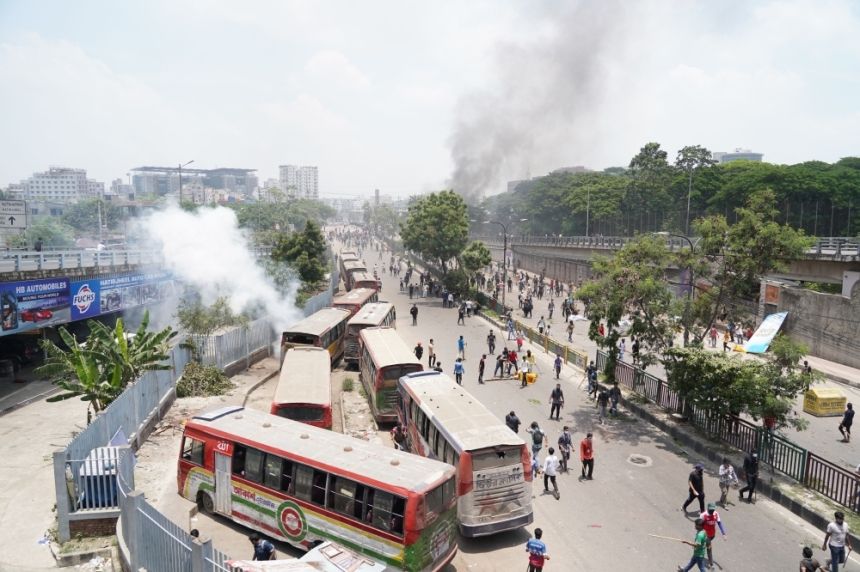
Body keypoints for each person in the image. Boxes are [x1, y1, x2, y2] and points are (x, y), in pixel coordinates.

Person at [699, 503, 726, 568]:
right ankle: (711, 564)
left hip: (712, 535)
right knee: (709, 548)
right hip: (705, 535)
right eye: (710, 510)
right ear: (707, 508)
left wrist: (724, 533)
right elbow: (699, 525)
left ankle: (699, 549)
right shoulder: (703, 515)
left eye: (713, 510)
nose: (712, 511)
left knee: (703, 546)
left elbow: (719, 523)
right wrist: (699, 536)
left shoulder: (716, 513)